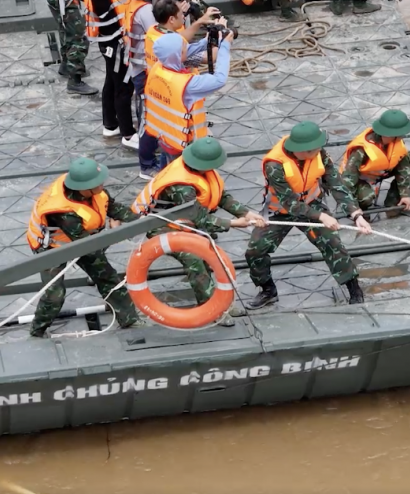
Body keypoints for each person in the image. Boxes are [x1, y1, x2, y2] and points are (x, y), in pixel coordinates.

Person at [131, 137, 265, 326]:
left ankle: (221, 302)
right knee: (194, 260)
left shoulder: (202, 171)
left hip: (186, 224)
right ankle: (212, 310)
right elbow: (200, 219)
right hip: (164, 227)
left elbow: (221, 196)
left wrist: (246, 212)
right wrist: (235, 223)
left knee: (213, 257)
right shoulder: (181, 186)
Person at [246, 121, 374, 308]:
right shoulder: (275, 165)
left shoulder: (319, 153)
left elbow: (335, 183)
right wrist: (321, 216)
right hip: (280, 211)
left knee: (333, 243)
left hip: (311, 203)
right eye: (315, 149)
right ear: (303, 150)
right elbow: (290, 203)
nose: (319, 152)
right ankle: (267, 290)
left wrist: (356, 214)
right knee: (255, 250)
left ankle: (353, 288)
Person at [26, 158, 142, 337]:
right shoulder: (64, 212)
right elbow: (89, 246)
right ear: (83, 188)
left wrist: (139, 222)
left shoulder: (94, 191)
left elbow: (112, 207)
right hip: (52, 247)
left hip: (84, 239)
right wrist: (116, 233)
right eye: (98, 183)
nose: (102, 184)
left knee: (107, 278)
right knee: (54, 294)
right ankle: (37, 330)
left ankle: (129, 319)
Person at [78, 0, 160, 150]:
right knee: (124, 86)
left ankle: (110, 124)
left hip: (106, 40)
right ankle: (127, 133)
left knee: (111, 83)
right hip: (114, 41)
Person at [141, 30, 232, 176]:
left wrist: (205, 41)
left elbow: (183, 51)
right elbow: (220, 79)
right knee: (183, 178)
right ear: (177, 55)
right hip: (182, 146)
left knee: (167, 171)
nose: (187, 49)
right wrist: (225, 46)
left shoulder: (159, 66)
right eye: (183, 48)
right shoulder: (187, 85)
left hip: (165, 137)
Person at [341, 109, 410, 213]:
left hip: (381, 171)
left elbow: (403, 166)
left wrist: (405, 194)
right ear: (393, 134)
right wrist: (353, 210)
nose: (403, 135)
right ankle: (362, 210)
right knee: (367, 198)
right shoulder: (361, 150)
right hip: (360, 178)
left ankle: (395, 203)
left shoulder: (396, 142)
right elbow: (348, 180)